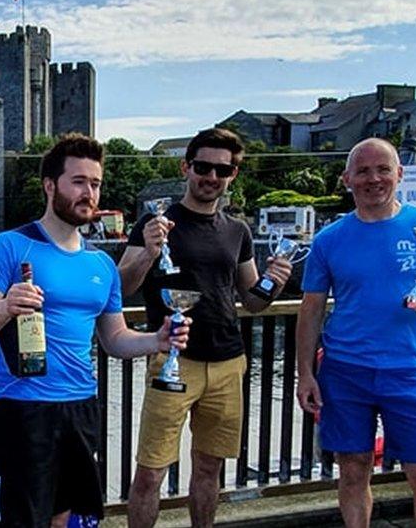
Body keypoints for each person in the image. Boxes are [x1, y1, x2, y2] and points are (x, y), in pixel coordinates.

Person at [0, 134, 190, 528]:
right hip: (24, 411)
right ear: (50, 186)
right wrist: (5, 306)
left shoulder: (102, 264)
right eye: (79, 181)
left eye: (96, 183)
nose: (90, 193)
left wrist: (157, 339)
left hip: (82, 408)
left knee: (70, 521)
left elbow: (114, 339)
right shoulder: (9, 247)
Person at [296, 138, 416, 528]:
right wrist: (306, 375)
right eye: (362, 171)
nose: (373, 179)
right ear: (347, 179)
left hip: (407, 370)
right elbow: (311, 310)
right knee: (353, 469)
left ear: (399, 175)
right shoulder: (329, 239)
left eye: (383, 169)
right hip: (344, 370)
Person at [121, 128, 293, 528]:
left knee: (208, 468)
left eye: (223, 169)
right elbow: (124, 287)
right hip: (172, 360)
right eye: (203, 167)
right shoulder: (156, 223)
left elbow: (251, 299)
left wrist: (274, 282)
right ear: (186, 167)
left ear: (233, 175)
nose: (211, 177)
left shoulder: (238, 231)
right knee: (150, 473)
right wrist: (148, 252)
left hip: (228, 361)